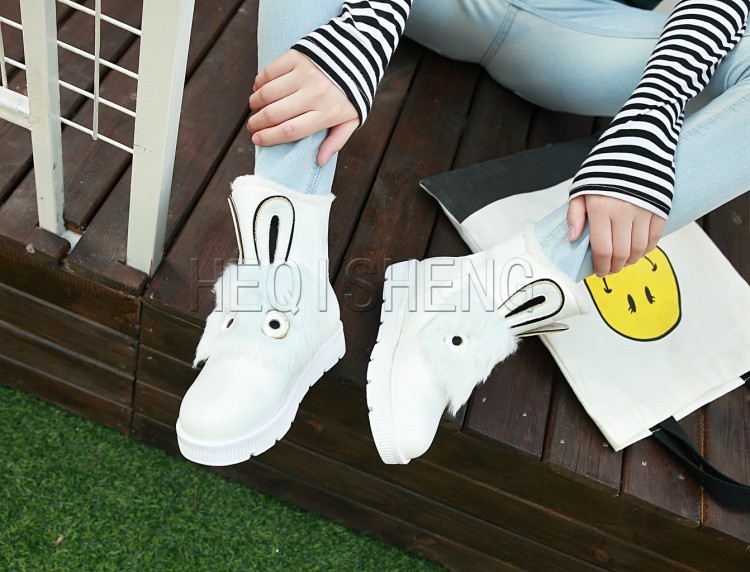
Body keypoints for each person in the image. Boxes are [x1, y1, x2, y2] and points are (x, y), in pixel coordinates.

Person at [175, 0, 750, 466]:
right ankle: (281, 288)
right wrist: (368, 24)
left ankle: (487, 294)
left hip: (584, 34)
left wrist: (650, 117)